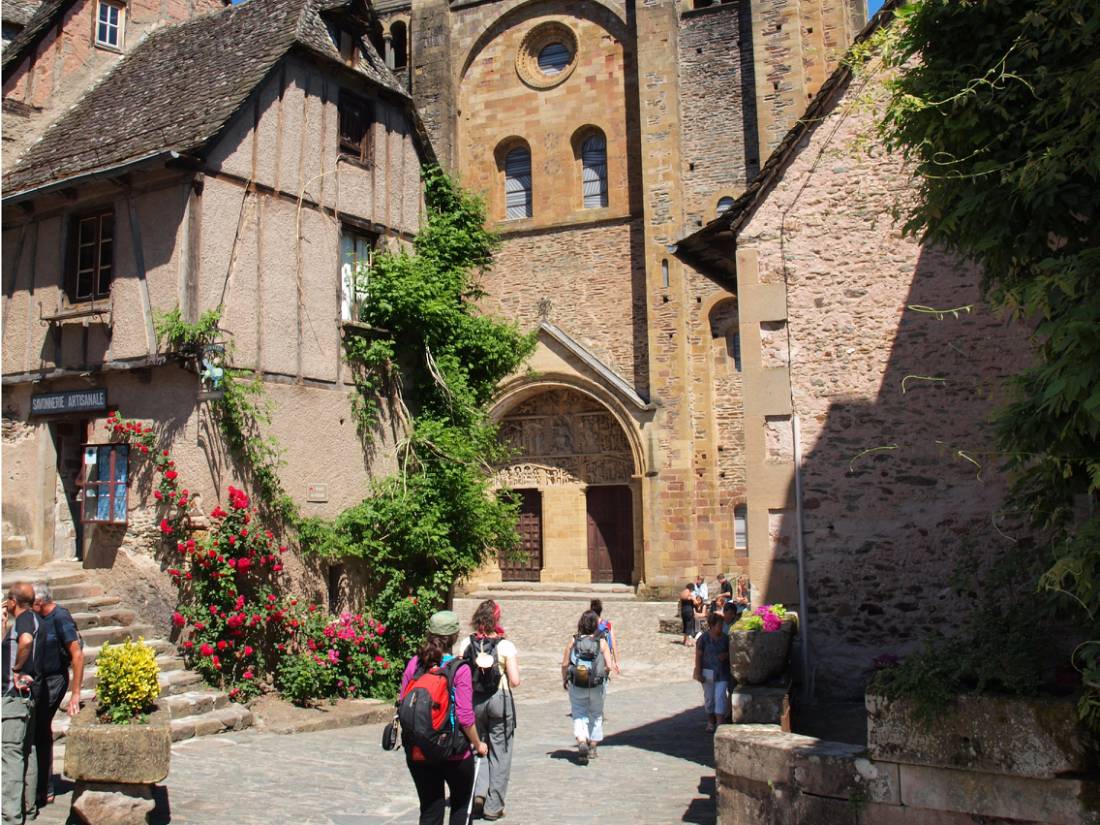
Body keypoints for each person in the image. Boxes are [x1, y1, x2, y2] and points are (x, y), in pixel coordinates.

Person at [399, 610, 488, 825]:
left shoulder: (415, 664)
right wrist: (478, 744)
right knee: (460, 806)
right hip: (453, 751)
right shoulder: (459, 668)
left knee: (430, 809)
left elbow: (403, 701)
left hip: (419, 749)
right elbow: (465, 716)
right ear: (456, 636)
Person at [457, 600, 519, 822]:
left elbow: (458, 672)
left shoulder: (466, 643)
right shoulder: (504, 645)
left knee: (477, 748)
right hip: (499, 701)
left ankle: (478, 795)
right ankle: (493, 806)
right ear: (496, 619)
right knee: (500, 753)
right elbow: (515, 680)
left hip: (474, 702)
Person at [32, 583, 83, 809]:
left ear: (39, 603)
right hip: (39, 679)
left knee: (40, 729)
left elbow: (77, 655)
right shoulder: (36, 618)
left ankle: (44, 787)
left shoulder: (60, 618)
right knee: (37, 730)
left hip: (54, 680)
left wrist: (75, 694)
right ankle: (40, 784)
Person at [3, 583, 42, 825]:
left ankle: (9, 817)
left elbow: (25, 642)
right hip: (26, 697)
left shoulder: (25, 621)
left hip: (13, 697)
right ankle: (28, 808)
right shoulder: (34, 619)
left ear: (13, 601)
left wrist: (17, 669)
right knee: (27, 751)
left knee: (10, 756)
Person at [562, 610, 617, 764]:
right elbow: (609, 665)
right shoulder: (602, 642)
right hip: (597, 685)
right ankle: (592, 746)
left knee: (578, 712)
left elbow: (565, 663)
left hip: (577, 682)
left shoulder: (574, 641)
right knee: (596, 714)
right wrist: (601, 674)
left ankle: (581, 740)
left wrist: (564, 679)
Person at [693, 613, 730, 732]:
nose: (721, 627)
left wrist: (726, 655)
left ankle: (720, 722)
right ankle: (710, 720)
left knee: (720, 696)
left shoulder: (725, 638)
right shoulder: (703, 638)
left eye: (722, 625)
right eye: (719, 625)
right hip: (707, 672)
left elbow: (731, 651)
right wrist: (698, 671)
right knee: (709, 698)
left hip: (722, 672)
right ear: (712, 626)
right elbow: (698, 655)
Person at [589, 598, 621, 675]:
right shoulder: (607, 625)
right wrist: (616, 662)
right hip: (605, 657)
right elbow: (613, 643)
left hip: (592, 656)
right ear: (601, 610)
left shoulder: (589, 624)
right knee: (603, 678)